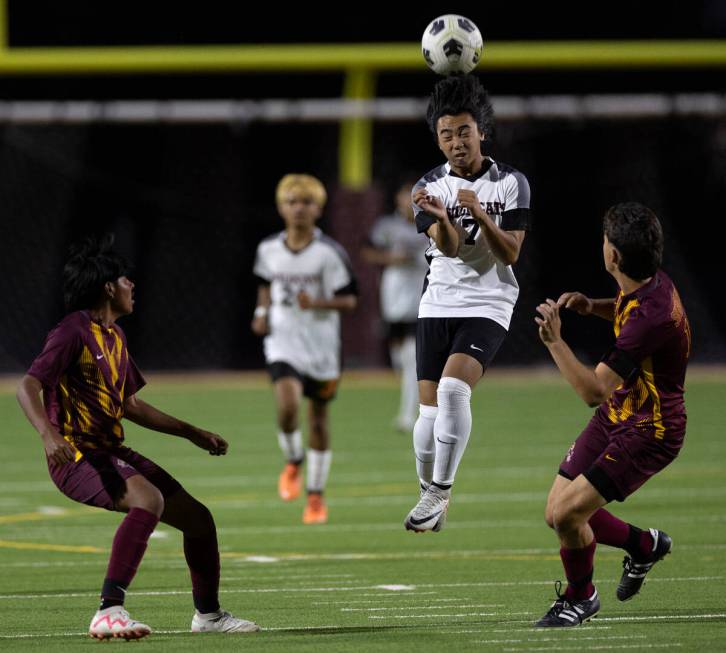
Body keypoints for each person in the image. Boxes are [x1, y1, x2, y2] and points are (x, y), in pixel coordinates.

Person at [15, 235, 259, 641]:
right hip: (77, 455)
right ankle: (108, 610)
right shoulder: (73, 330)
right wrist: (47, 434)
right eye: (127, 280)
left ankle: (209, 616)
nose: (133, 286)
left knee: (198, 521)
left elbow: (130, 404)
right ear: (109, 286)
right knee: (148, 499)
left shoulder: (115, 337)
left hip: (110, 450)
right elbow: (27, 385)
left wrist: (191, 433)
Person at [533, 202, 690, 627]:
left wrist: (554, 341)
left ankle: (580, 598)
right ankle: (643, 545)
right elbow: (627, 311)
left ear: (614, 256)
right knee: (556, 514)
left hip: (650, 431)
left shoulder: (650, 316)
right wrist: (593, 306)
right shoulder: (648, 282)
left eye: (606, 241)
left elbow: (591, 391)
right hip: (621, 413)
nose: (602, 246)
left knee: (568, 515)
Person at [403, 74, 532, 533]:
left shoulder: (511, 182)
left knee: (453, 390)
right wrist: (440, 220)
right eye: (446, 135)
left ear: (482, 131)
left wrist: (480, 212)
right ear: (437, 141)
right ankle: (429, 495)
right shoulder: (428, 187)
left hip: (490, 300)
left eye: (464, 132)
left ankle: (440, 489)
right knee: (427, 418)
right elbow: (452, 248)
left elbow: (511, 252)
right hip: (438, 299)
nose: (456, 142)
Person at [251, 173, 357, 525]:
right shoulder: (268, 249)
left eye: (307, 202)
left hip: (322, 347)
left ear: (319, 208)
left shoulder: (329, 253)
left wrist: (319, 303)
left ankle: (315, 494)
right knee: (287, 405)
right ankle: (293, 459)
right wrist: (261, 313)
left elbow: (351, 299)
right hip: (283, 341)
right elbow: (265, 285)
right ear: (281, 207)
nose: (299, 208)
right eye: (292, 201)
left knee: (319, 421)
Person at [361, 176, 429, 432]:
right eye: (406, 195)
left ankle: (407, 415)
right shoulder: (387, 226)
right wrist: (391, 257)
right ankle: (410, 395)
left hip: (424, 296)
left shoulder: (432, 222)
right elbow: (367, 251)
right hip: (394, 296)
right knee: (400, 359)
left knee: (413, 357)